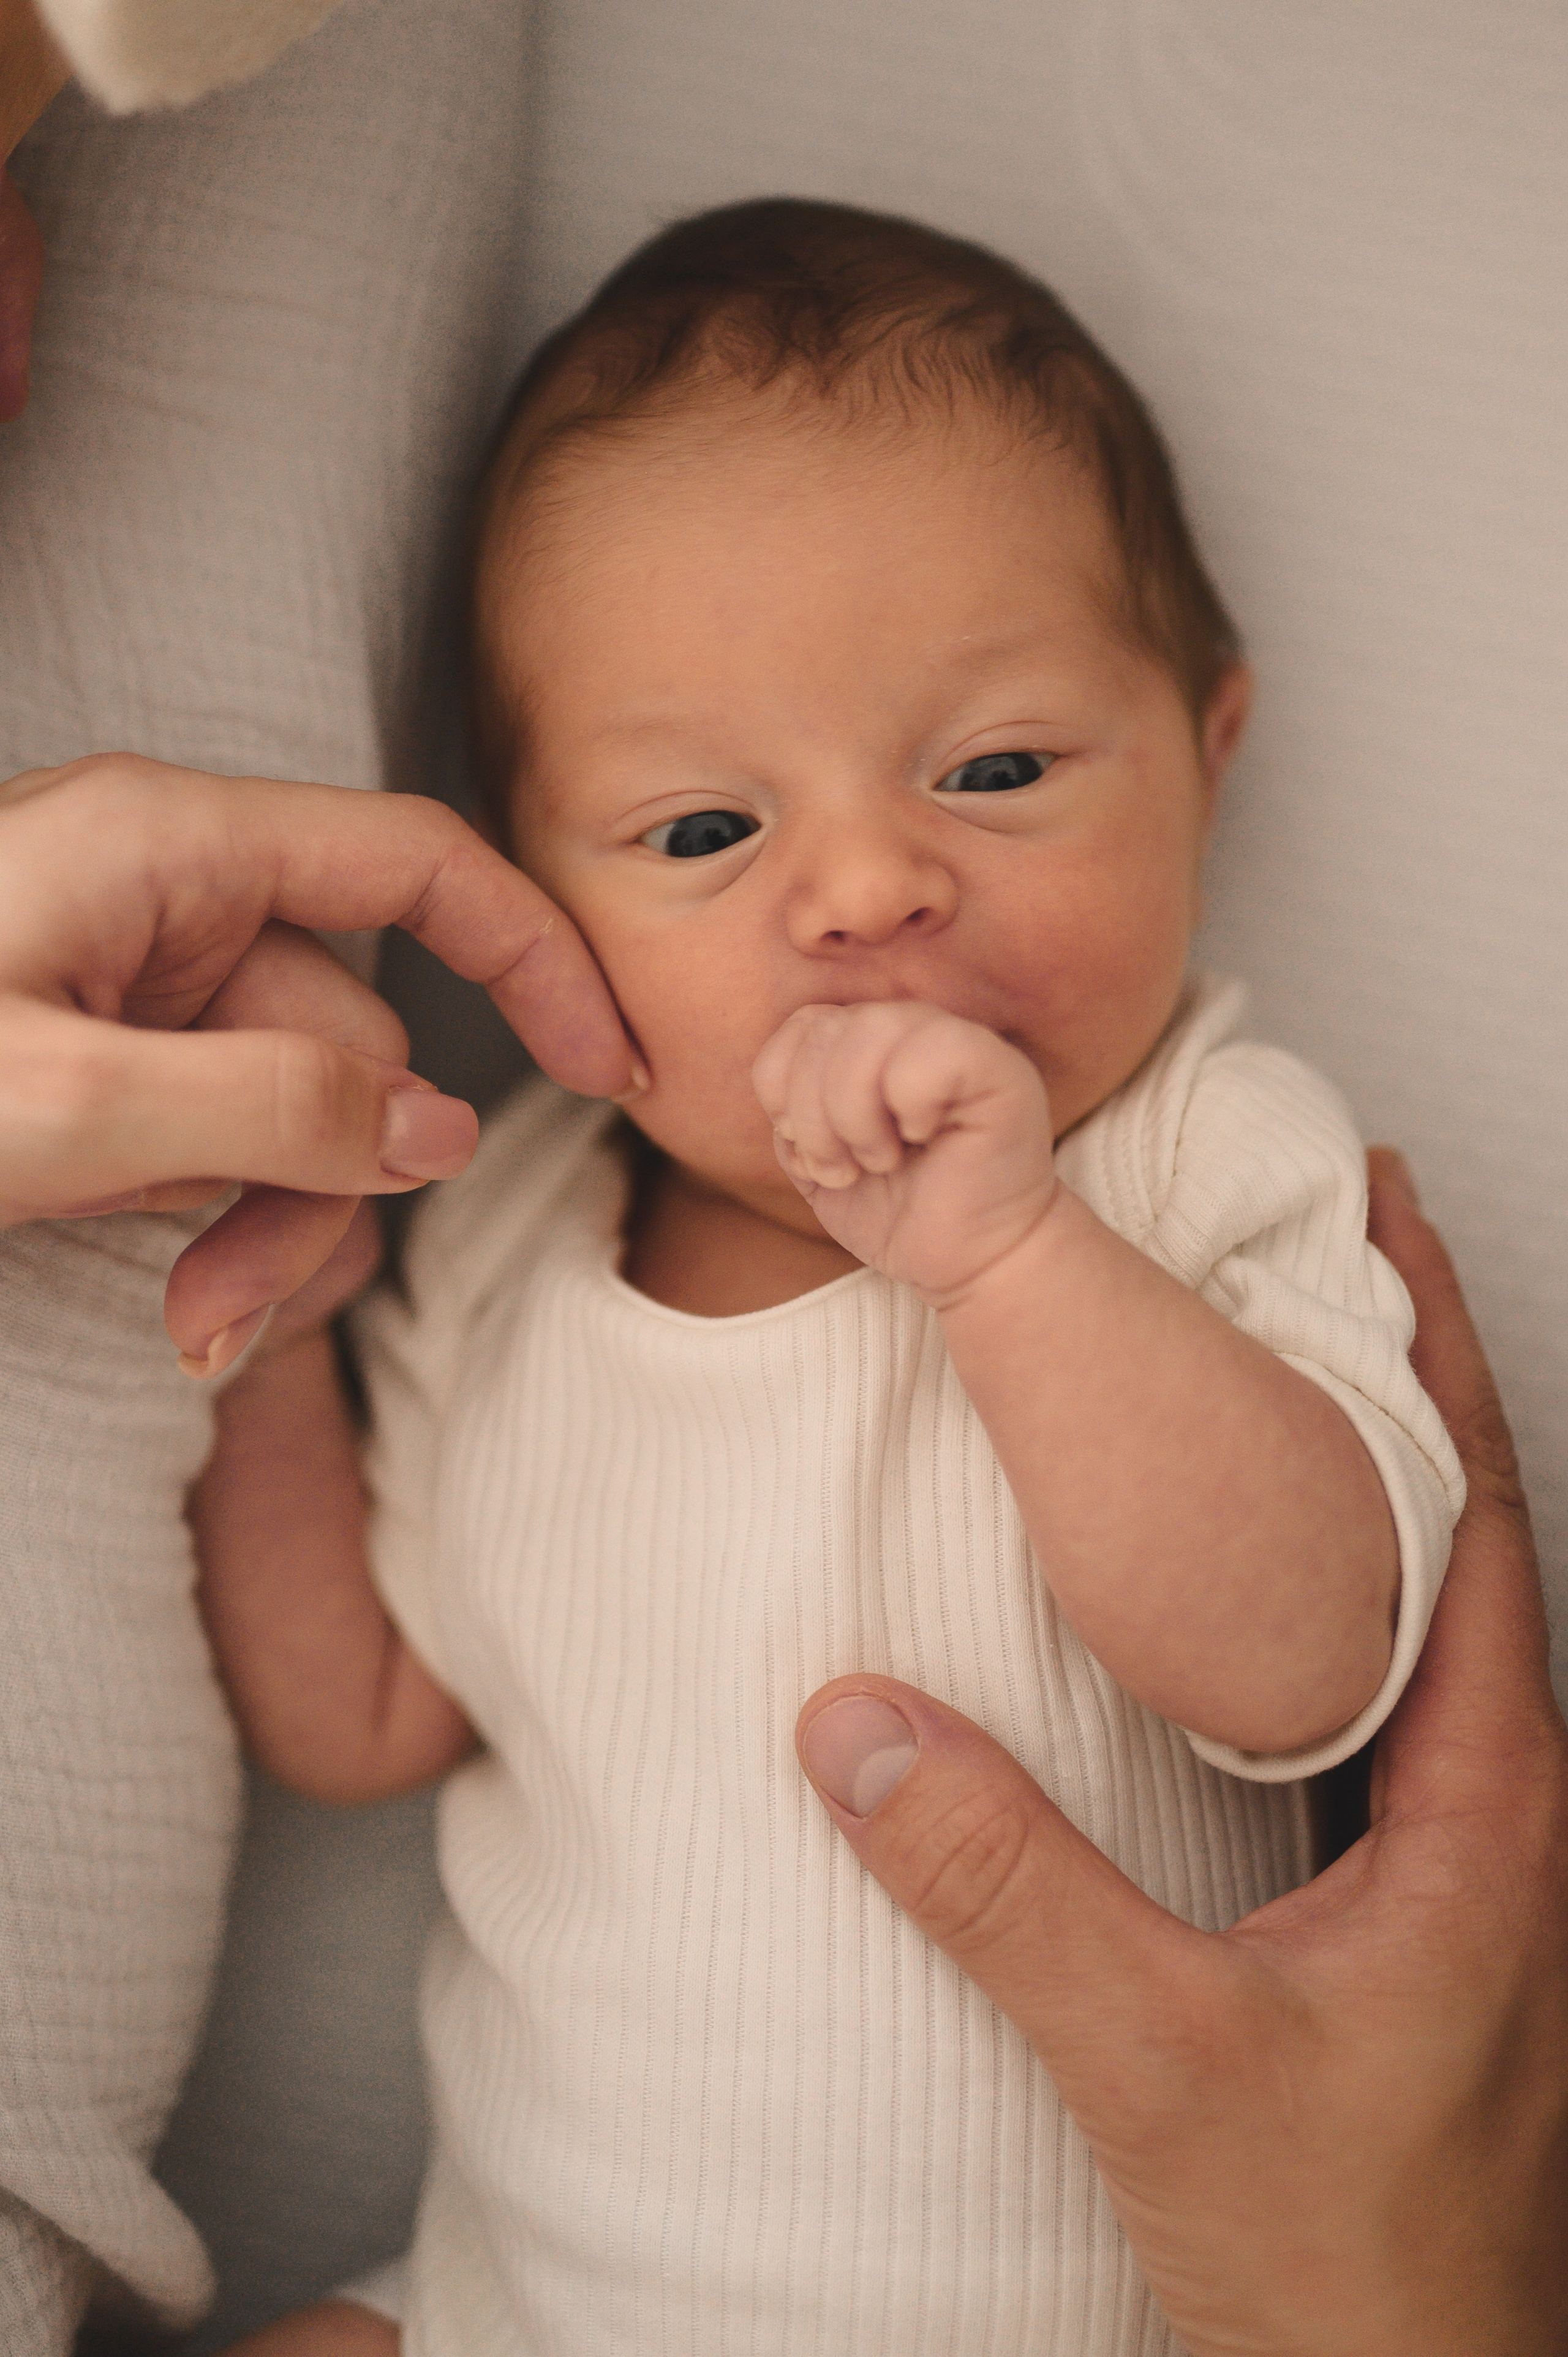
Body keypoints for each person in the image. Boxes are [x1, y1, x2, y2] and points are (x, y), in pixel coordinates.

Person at [190, 202, 1475, 2353]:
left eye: (995, 773)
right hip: (525, 2303)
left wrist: (1010, 1255)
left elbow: (1308, 1664)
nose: (871, 886)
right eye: (702, 832)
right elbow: (364, 1712)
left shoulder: (1187, 1156)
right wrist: (278, 1338)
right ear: (526, 906)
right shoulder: (509, 1225)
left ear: (1207, 751)